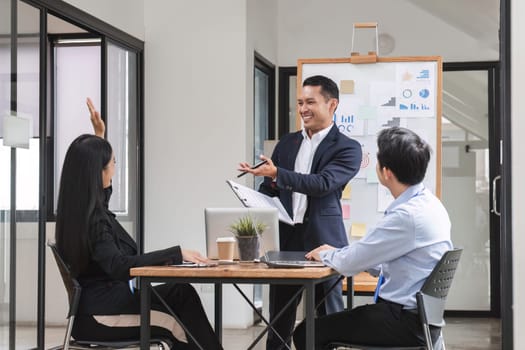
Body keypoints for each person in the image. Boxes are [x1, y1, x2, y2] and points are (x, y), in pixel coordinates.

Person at [55, 98, 223, 350]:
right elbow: (118, 266)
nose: (114, 169)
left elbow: (99, 200)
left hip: (110, 303)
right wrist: (176, 253)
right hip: (103, 317)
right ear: (97, 172)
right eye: (112, 164)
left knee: (181, 292)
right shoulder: (94, 222)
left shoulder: (81, 212)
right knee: (176, 327)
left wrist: (99, 136)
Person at [292, 126, 454, 350]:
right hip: (421, 320)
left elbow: (352, 262)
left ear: (386, 172)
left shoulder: (406, 216)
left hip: (401, 321)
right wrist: (349, 257)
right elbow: (395, 261)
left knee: (306, 332)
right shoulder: (430, 205)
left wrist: (327, 254)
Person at [238, 75, 362, 349]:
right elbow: (272, 187)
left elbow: (323, 184)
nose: (303, 109)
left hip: (325, 242)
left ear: (332, 105)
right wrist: (253, 197)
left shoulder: (348, 148)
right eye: (300, 102)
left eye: (310, 102)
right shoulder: (288, 143)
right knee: (279, 319)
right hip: (286, 240)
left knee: (328, 320)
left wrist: (278, 173)